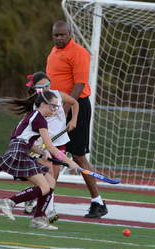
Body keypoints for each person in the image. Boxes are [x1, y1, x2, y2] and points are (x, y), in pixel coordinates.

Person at [46, 20, 108, 218]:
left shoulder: (79, 52)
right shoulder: (54, 52)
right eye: (56, 35)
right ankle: (43, 198)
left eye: (63, 35)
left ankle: (98, 202)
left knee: (78, 156)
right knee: (50, 154)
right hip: (56, 107)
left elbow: (79, 85)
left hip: (75, 107)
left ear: (69, 33)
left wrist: (63, 111)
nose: (59, 38)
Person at [0, 89, 80, 230]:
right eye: (52, 106)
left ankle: (38, 219)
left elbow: (27, 140)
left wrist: (42, 151)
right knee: (44, 187)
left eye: (56, 106)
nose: (55, 109)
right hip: (19, 152)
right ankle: (8, 202)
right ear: (43, 104)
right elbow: (52, 147)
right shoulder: (39, 119)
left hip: (22, 149)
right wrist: (71, 162)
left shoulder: (35, 116)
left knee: (51, 182)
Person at [23, 72, 79, 222]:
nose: (46, 89)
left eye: (48, 85)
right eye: (42, 87)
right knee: (48, 178)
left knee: (54, 178)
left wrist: (73, 120)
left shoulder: (57, 95)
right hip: (45, 144)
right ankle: (49, 211)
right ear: (35, 89)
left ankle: (35, 199)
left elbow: (75, 103)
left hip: (60, 142)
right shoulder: (37, 104)